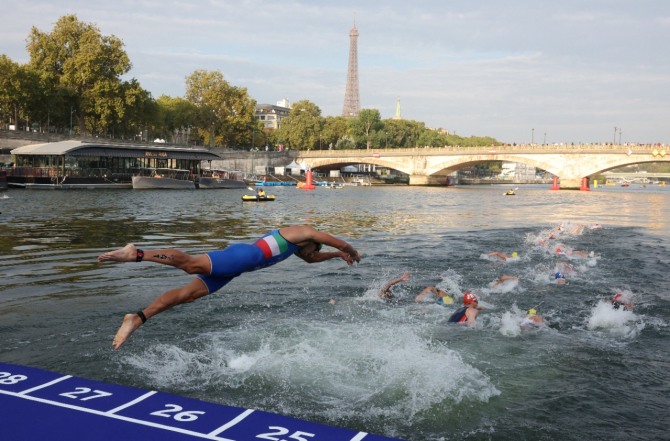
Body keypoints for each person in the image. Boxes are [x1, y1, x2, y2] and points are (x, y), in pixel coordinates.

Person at [98, 225, 361, 349]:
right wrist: (349, 250)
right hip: (240, 258)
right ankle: (137, 253)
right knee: (191, 264)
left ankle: (138, 318)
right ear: (309, 244)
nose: (309, 255)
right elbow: (331, 240)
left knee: (188, 295)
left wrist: (338, 257)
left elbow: (313, 258)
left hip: (235, 270)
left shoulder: (298, 250)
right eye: (311, 251)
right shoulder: (302, 232)